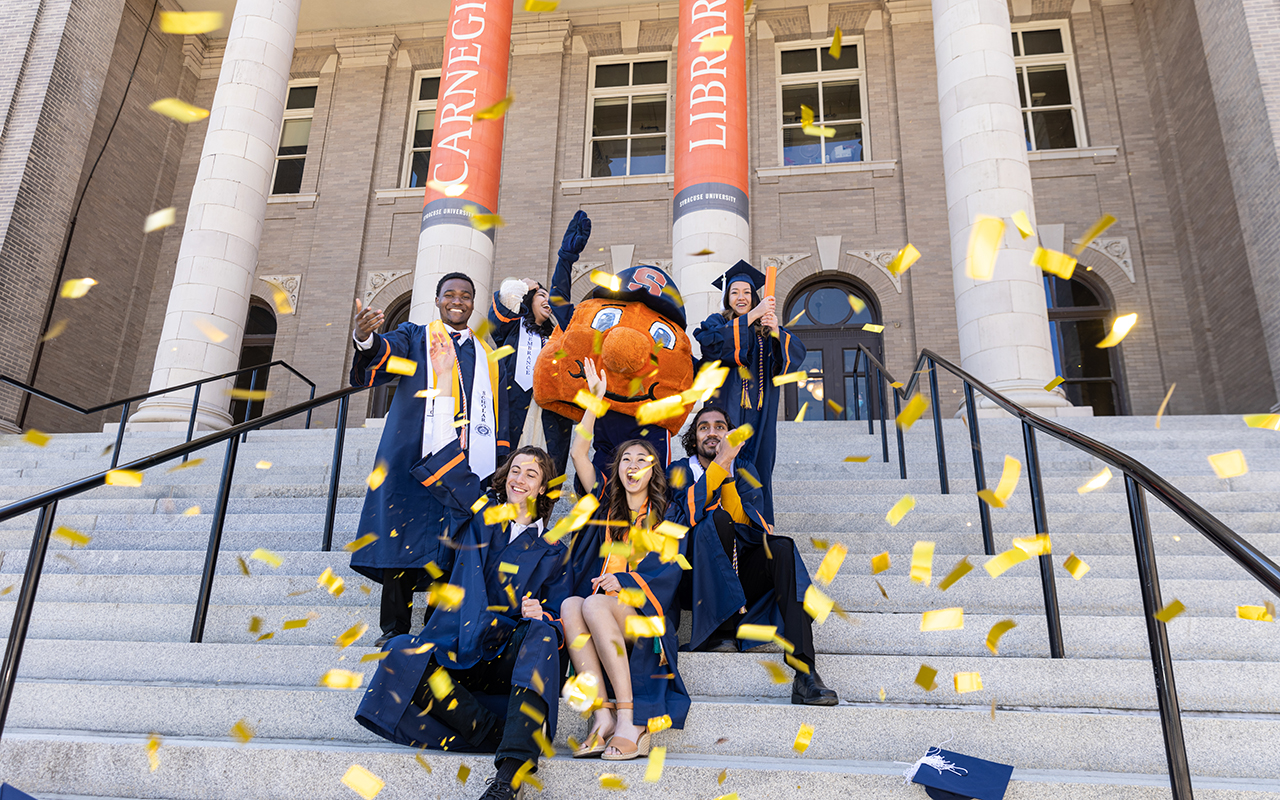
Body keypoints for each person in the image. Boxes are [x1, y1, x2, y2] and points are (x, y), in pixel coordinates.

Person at [354, 331, 567, 800]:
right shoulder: (480, 514)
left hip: (503, 651)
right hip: (456, 641)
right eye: (515, 470)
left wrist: (542, 615)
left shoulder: (554, 550)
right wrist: (447, 379)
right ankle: (491, 731)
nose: (519, 477)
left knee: (546, 635)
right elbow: (442, 452)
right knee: (403, 651)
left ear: (543, 490)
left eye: (531, 474)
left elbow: (558, 608)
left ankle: (508, 777)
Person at [350, 271, 508, 646]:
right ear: (437, 301)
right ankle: (395, 629)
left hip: (461, 466)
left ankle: (435, 627)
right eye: (449, 294)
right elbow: (383, 355)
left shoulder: (487, 355)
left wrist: (499, 462)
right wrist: (364, 338)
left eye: (466, 295)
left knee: (450, 542)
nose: (458, 300)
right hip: (411, 456)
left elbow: (502, 413)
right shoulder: (415, 337)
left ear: (474, 303)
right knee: (400, 536)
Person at [560, 357, 689, 761]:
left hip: (643, 612)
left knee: (595, 601)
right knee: (570, 604)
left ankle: (630, 719)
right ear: (617, 470)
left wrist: (626, 583)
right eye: (627, 461)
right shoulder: (604, 504)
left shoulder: (669, 514)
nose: (633, 466)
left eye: (642, 460)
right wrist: (594, 403)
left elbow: (671, 566)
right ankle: (601, 716)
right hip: (605, 611)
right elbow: (580, 452)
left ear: (654, 470)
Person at [666, 404, 838, 706]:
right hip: (692, 576)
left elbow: (749, 525)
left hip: (738, 568)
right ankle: (719, 629)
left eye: (720, 427)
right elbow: (686, 514)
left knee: (781, 547)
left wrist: (728, 471)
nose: (712, 432)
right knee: (714, 520)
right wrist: (721, 461)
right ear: (693, 439)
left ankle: (804, 672)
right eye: (704, 427)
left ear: (731, 434)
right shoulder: (679, 469)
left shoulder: (745, 470)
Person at [693, 260, 805, 524]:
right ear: (727, 298)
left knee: (757, 464)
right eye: (734, 292)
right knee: (720, 457)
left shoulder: (766, 328)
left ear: (754, 296)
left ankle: (758, 524)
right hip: (724, 406)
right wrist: (753, 315)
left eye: (746, 292)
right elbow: (710, 347)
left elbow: (792, 360)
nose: (740, 297)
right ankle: (715, 519)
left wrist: (776, 330)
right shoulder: (716, 323)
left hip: (758, 412)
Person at [488, 211, 591, 478]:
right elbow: (506, 298)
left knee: (545, 474)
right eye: (540, 295)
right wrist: (523, 285)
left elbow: (561, 297)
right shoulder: (512, 328)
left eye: (548, 296)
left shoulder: (558, 336)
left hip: (549, 416)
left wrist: (566, 259)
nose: (547, 300)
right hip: (514, 412)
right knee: (509, 473)